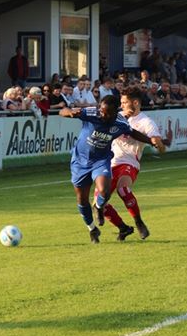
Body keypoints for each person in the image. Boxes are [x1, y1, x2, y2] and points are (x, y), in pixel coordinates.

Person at [59, 95, 164, 243]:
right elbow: (62, 111)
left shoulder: (120, 122)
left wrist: (150, 141)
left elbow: (132, 132)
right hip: (79, 162)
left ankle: (99, 207)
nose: (102, 115)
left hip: (101, 160)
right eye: (101, 111)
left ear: (115, 112)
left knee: (104, 190)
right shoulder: (91, 113)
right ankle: (92, 229)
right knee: (82, 200)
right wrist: (69, 112)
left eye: (106, 113)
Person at [95, 87, 166, 241]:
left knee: (123, 189)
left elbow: (161, 147)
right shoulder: (118, 116)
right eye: (121, 102)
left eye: (125, 102)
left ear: (135, 103)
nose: (122, 105)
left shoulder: (146, 122)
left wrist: (157, 144)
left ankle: (139, 222)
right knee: (98, 203)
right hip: (110, 162)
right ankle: (123, 228)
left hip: (129, 162)